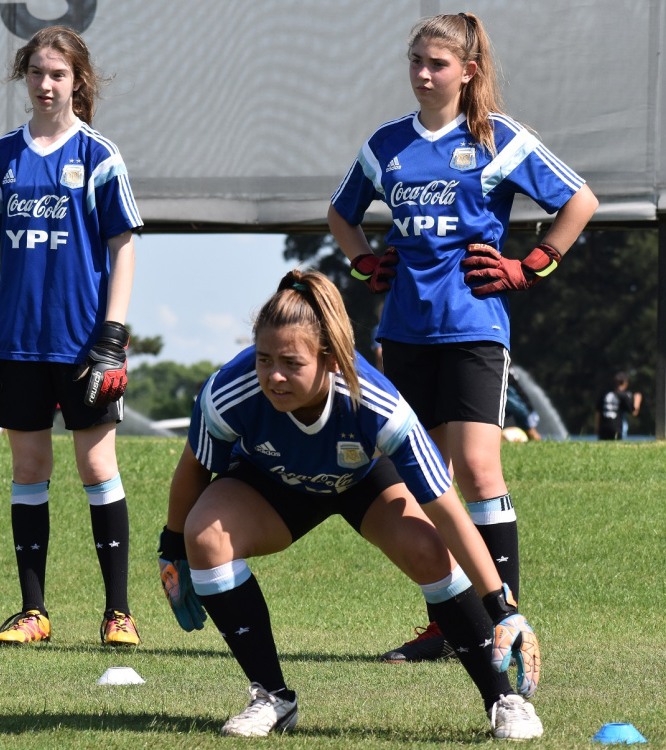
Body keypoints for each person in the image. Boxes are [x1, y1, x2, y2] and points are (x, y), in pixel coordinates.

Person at [158, 270, 543, 740]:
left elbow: (447, 511)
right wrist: (173, 548)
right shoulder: (228, 390)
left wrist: (502, 607)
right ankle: (272, 698)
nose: (274, 376)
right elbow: (195, 465)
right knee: (204, 536)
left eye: (291, 363)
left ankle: (504, 700)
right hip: (270, 481)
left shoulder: (379, 404)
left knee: (428, 548)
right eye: (263, 359)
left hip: (363, 481)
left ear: (331, 360)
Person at [326, 12, 598, 661]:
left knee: (477, 469)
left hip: (475, 329)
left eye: (437, 64)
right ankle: (448, 627)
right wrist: (363, 262)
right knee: (426, 481)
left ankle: (506, 624)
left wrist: (532, 265)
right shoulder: (387, 143)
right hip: (404, 334)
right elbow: (340, 213)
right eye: (416, 61)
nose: (423, 74)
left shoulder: (499, 137)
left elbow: (580, 201)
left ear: (468, 71)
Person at [0, 26, 143, 646]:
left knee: (96, 466)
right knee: (29, 466)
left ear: (77, 81)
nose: (46, 84)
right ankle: (33, 612)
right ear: (24, 76)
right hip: (17, 344)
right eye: (36, 72)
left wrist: (112, 335)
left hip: (84, 344)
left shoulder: (98, 155)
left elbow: (123, 247)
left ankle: (118, 613)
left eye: (58, 74)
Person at [595, 372, 642, 441]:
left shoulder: (604, 393)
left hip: (603, 428)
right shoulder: (624, 395)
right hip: (617, 428)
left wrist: (597, 427)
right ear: (625, 383)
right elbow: (634, 412)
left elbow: (598, 413)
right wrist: (637, 401)